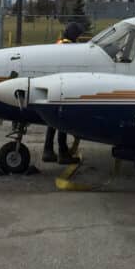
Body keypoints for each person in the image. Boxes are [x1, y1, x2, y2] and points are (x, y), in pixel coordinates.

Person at [42, 21, 83, 163]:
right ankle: (63, 153)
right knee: (62, 122)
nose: (78, 38)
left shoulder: (59, 42)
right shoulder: (68, 46)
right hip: (63, 87)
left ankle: (48, 151)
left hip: (54, 85)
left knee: (53, 122)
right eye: (77, 35)